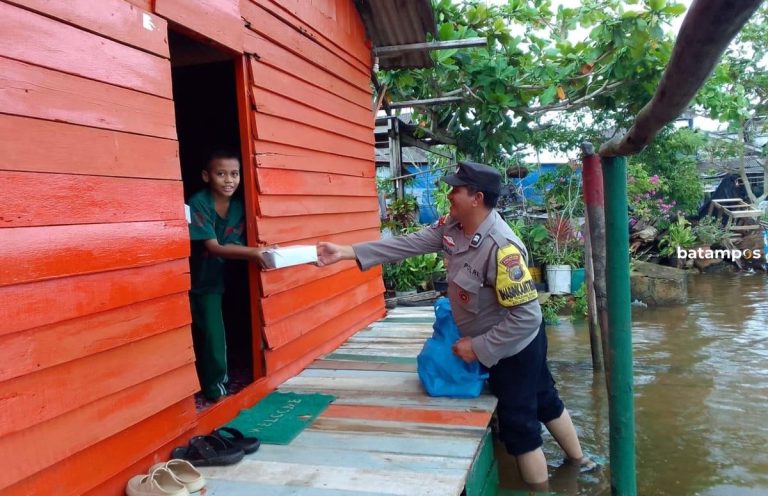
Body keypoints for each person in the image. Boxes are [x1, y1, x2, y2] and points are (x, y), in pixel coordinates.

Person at [316, 161, 594, 489]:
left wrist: (477, 347)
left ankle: (543, 489)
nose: (449, 194)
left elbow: (527, 317)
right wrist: (347, 252)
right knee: (544, 397)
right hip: (500, 340)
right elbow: (410, 244)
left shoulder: (502, 248)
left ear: (476, 198)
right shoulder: (454, 227)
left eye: (455, 190)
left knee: (520, 425)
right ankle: (582, 464)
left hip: (513, 347)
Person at [187, 150, 266, 402]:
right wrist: (256, 252)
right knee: (211, 332)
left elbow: (234, 242)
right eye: (221, 174)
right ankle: (215, 388)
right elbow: (213, 246)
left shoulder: (239, 207)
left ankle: (217, 381)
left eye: (234, 174)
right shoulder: (199, 202)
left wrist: (257, 252)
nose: (229, 180)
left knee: (223, 327)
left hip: (224, 276)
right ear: (206, 176)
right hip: (199, 278)